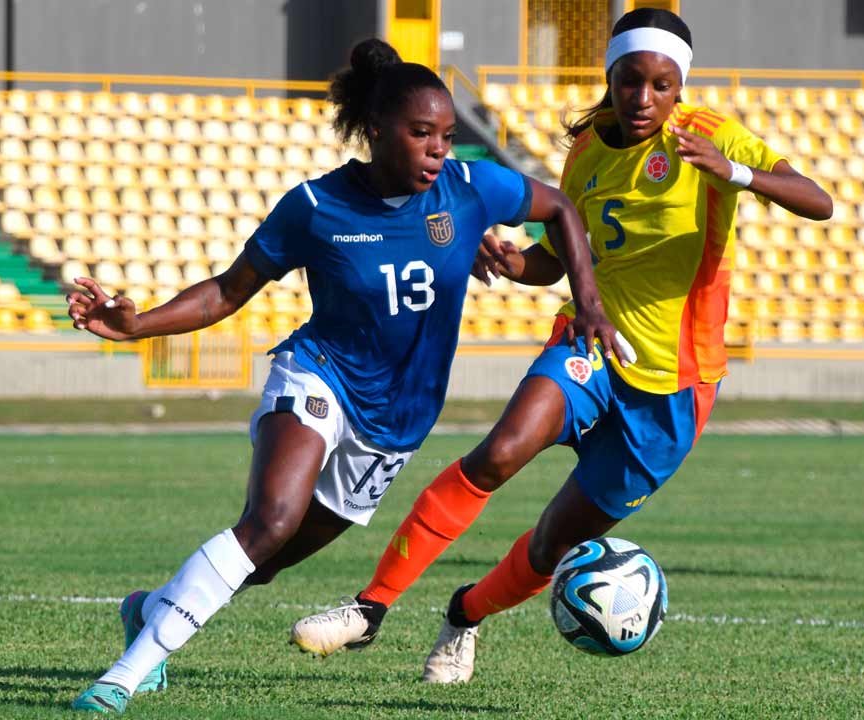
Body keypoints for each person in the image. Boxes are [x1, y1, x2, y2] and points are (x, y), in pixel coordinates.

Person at [65, 38, 623, 714]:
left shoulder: (471, 189)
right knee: (268, 521)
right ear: (378, 130)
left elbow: (561, 210)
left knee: (265, 561)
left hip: (398, 424)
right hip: (319, 377)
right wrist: (137, 324)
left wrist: (585, 299)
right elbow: (227, 290)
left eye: (446, 135)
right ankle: (126, 675)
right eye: (422, 134)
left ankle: (150, 610)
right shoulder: (314, 206)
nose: (439, 149)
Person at [289, 8, 833, 684]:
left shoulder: (710, 138)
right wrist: (515, 262)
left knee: (553, 541)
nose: (643, 99)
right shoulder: (587, 150)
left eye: (662, 86)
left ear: (679, 88)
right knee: (498, 454)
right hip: (590, 345)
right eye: (631, 81)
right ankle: (369, 610)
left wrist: (739, 173)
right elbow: (560, 254)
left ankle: (465, 615)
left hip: (675, 391)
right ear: (610, 75)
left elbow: (818, 201)